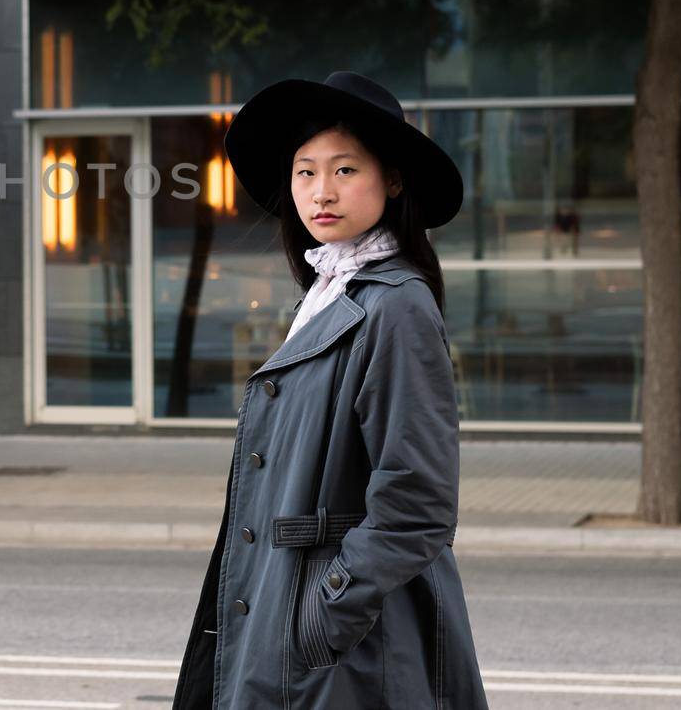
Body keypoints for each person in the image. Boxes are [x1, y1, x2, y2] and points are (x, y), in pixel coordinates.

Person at [171, 71, 488, 709]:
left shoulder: (396, 305)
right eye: (305, 172)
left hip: (350, 644)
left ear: (392, 180)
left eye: (345, 170)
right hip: (293, 621)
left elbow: (418, 502)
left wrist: (325, 613)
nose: (321, 192)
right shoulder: (329, 293)